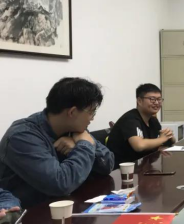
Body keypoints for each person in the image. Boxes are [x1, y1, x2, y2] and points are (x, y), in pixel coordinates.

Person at [0, 78, 114, 208]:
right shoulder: (22, 136)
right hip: (30, 214)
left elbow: (108, 164)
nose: (93, 118)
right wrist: (83, 144)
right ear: (72, 112)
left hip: (69, 206)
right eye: (91, 112)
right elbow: (61, 184)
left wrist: (78, 144)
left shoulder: (74, 129)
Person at [107, 84, 175, 165]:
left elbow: (158, 142)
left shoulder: (152, 120)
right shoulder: (130, 119)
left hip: (142, 165)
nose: (157, 103)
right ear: (139, 101)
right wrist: (162, 139)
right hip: (122, 169)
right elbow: (139, 146)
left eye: (159, 99)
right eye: (152, 99)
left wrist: (169, 137)